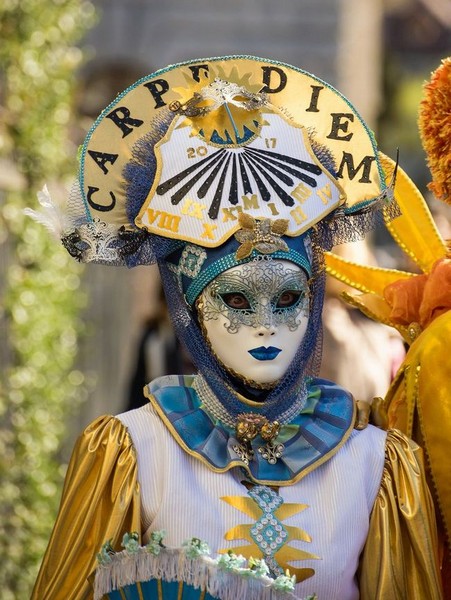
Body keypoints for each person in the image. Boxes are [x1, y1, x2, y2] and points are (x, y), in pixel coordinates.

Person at [29, 56, 442, 599]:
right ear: (192, 307)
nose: (266, 326)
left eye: (290, 297)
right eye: (236, 300)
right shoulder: (130, 453)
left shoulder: (376, 466)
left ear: (316, 297)